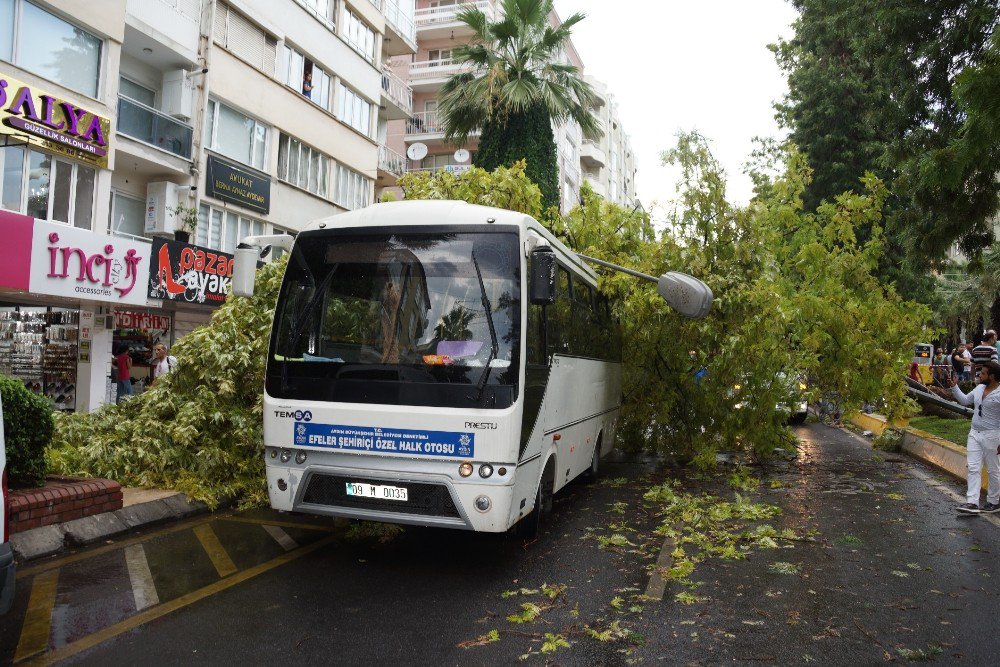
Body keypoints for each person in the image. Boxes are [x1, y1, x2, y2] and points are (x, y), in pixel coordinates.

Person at [949, 360, 1000, 514]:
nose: (979, 375)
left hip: (993, 436)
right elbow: (965, 400)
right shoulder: (979, 388)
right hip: (974, 434)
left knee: (993, 470)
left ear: (992, 376)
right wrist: (954, 387)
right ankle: (972, 502)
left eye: (983, 373)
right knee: (973, 467)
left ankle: (994, 501)